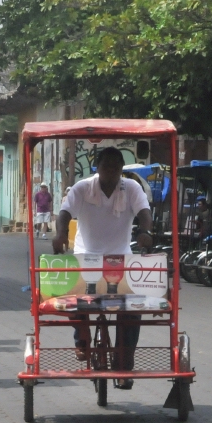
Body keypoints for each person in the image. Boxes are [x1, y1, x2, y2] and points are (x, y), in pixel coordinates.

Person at [52, 147, 152, 385]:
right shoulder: (83, 187)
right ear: (97, 167)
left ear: (121, 169)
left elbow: (145, 212)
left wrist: (146, 231)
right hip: (87, 257)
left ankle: (125, 360)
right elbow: (65, 212)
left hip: (121, 259)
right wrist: (61, 233)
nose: (111, 172)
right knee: (75, 301)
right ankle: (82, 341)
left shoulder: (132, 188)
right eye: (107, 166)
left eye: (116, 168)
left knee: (132, 308)